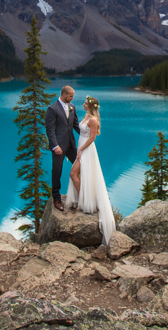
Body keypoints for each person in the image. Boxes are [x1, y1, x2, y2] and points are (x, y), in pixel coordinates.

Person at [66, 95, 115, 245]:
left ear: (91, 106)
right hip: (82, 147)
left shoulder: (93, 120)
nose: (83, 104)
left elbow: (92, 138)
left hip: (87, 150)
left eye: (85, 103)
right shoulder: (87, 116)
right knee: (79, 174)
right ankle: (83, 199)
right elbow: (80, 131)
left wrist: (80, 150)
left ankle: (84, 201)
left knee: (74, 174)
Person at [45, 85, 80, 211]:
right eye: (71, 96)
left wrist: (86, 135)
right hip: (59, 146)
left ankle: (80, 194)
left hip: (71, 145)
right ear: (64, 95)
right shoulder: (52, 109)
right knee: (57, 171)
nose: (72, 98)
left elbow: (76, 125)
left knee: (80, 166)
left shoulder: (72, 107)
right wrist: (55, 146)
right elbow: (50, 130)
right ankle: (56, 198)